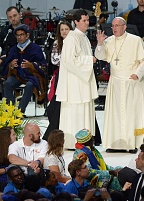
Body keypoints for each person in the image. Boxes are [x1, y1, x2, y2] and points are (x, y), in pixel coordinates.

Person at [95, 17, 144, 151]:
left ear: (124, 27)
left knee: (132, 114)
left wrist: (137, 73)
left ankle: (134, 143)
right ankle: (115, 143)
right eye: (113, 26)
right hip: (116, 82)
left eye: (117, 25)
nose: (114, 28)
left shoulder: (135, 40)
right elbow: (100, 56)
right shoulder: (108, 41)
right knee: (115, 114)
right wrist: (100, 43)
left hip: (132, 82)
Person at [57, 10, 98, 149]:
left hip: (82, 81)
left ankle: (85, 141)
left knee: (84, 110)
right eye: (84, 20)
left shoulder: (83, 37)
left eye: (87, 20)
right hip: (74, 83)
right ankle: (72, 141)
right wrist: (89, 60)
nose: (87, 23)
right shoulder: (71, 37)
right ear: (76, 22)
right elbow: (69, 61)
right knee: (75, 111)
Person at [1, 24, 47, 114]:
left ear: (27, 35)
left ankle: (20, 111)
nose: (19, 37)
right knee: (8, 83)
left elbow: (43, 65)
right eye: (17, 35)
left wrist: (31, 65)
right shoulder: (14, 49)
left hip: (32, 75)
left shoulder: (35, 48)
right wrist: (10, 65)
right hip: (17, 75)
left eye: (21, 35)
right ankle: (10, 110)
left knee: (30, 85)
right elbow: (6, 65)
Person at [44, 21, 72, 139]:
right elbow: (55, 60)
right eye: (62, 30)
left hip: (72, 75)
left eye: (66, 29)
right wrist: (68, 60)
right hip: (61, 74)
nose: (64, 32)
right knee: (53, 107)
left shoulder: (74, 42)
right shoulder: (56, 43)